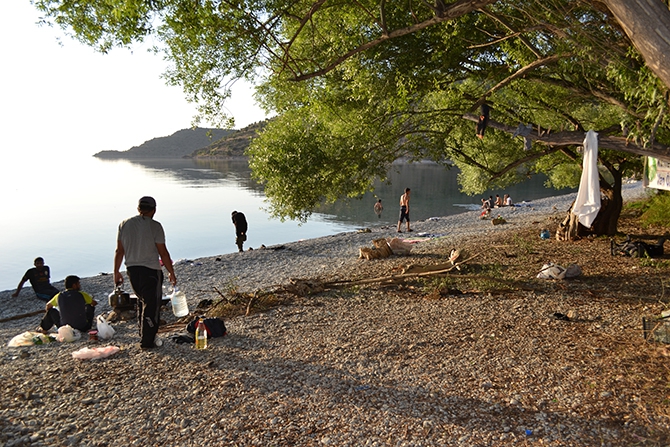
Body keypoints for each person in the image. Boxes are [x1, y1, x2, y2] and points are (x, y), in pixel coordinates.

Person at [114, 196, 177, 349]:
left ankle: (145, 335)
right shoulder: (155, 226)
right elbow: (163, 253)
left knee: (142, 301)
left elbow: (119, 250)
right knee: (152, 305)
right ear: (154, 210)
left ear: (138, 208)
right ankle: (147, 342)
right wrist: (171, 273)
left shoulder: (124, 224)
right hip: (151, 271)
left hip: (132, 270)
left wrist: (116, 271)